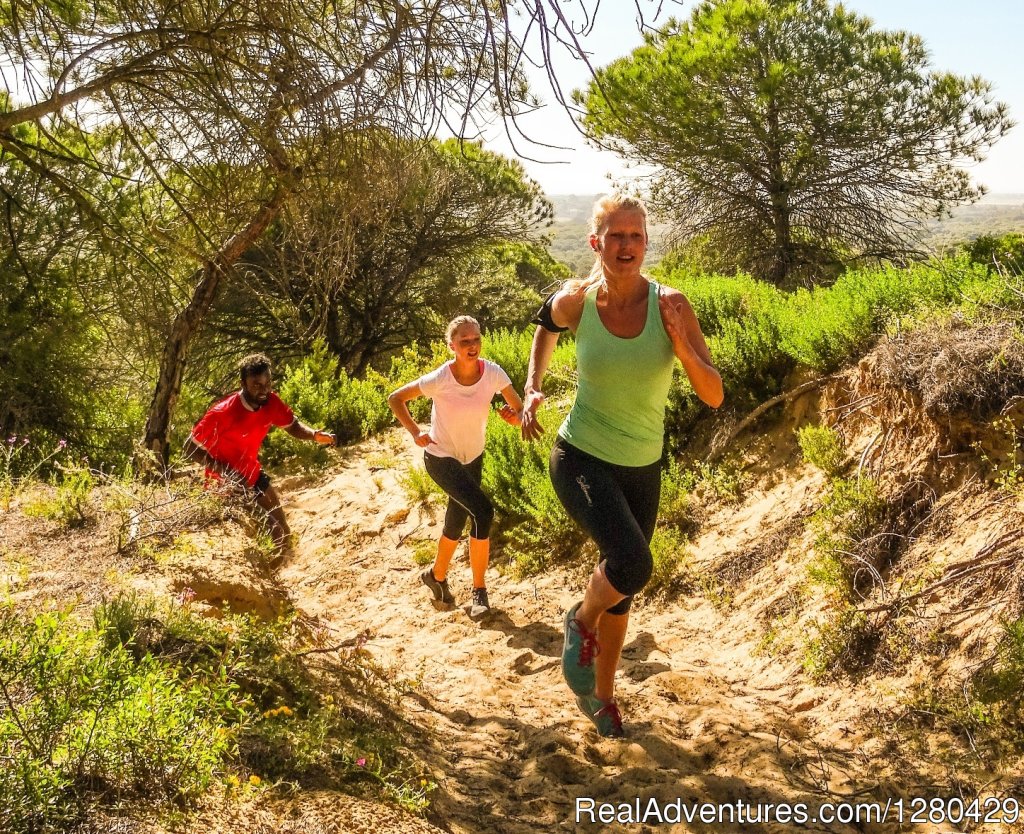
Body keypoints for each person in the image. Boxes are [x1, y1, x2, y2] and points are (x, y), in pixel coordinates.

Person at [521, 194, 724, 737]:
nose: (626, 245)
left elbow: (713, 395)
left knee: (625, 587)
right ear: (597, 243)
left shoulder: (672, 304)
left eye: (636, 236)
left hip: (643, 466)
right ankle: (578, 621)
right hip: (581, 456)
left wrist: (681, 345)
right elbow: (544, 326)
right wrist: (533, 387)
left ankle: (601, 700)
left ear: (646, 243)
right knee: (632, 563)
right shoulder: (577, 302)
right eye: (616, 236)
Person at [388, 316, 524, 619]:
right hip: (441, 457)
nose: (472, 345)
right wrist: (414, 431)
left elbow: (519, 408)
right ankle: (479, 591)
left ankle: (435, 577)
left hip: (473, 456)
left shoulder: (492, 373)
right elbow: (396, 398)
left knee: (455, 519)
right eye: (465, 341)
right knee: (483, 512)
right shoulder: (441, 378)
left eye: (476, 339)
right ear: (452, 346)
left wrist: (515, 418)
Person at [184, 353, 336, 556]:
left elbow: (293, 426)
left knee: (284, 530)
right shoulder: (222, 413)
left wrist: (314, 435)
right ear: (243, 384)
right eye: (257, 385)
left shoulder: (271, 402)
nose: (264, 390)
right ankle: (269, 582)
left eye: (267, 383)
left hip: (253, 473)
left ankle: (283, 576)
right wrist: (225, 472)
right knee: (274, 532)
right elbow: (189, 447)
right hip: (226, 485)